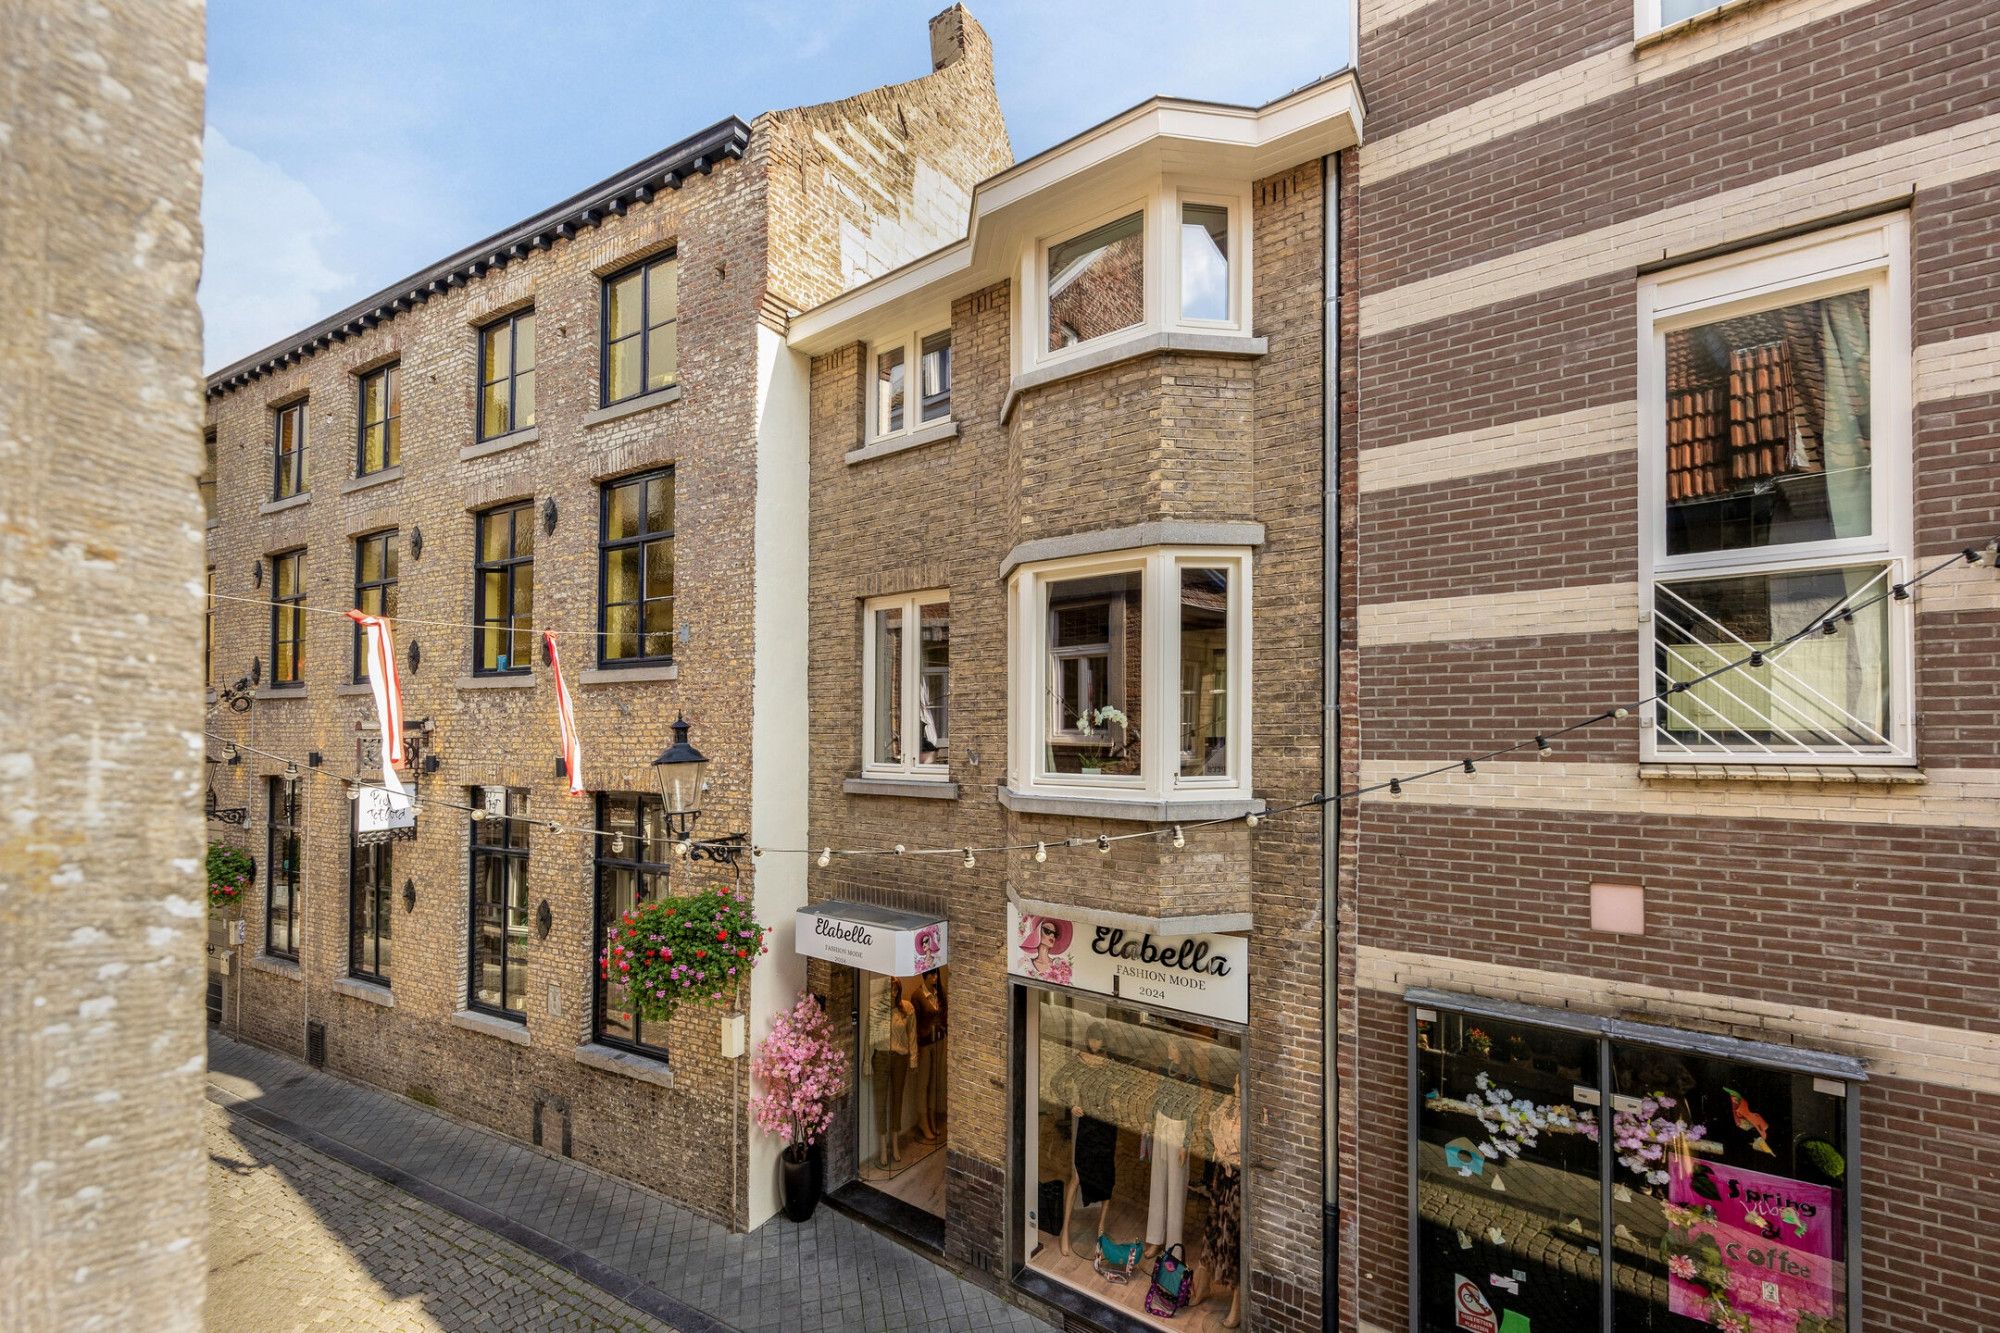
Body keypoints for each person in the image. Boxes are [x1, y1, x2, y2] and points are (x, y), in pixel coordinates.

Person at [1052, 1022, 1120, 1258]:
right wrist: (1072, 1104)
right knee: (1078, 1175)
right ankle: (1065, 1231)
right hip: (1088, 1126)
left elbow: (1121, 1091)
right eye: (1091, 1038)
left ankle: (1101, 1229)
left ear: (1104, 1040)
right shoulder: (1079, 1060)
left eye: (1098, 1039)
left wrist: (1115, 1103)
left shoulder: (1111, 1064)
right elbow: (1057, 1082)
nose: (1094, 1043)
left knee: (1106, 1177)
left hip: (1107, 1126)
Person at [1145, 1037, 1203, 1257]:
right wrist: (1150, 1120)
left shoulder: (1192, 1078)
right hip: (1162, 1125)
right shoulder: (1165, 1069)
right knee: (1158, 1182)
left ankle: (1173, 1246)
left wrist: (1186, 1144)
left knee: (1176, 1188)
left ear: (1181, 1050)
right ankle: (1155, 1239)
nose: (1168, 1049)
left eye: (1172, 1046)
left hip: (1178, 1130)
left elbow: (1192, 1112)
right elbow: (1158, 1098)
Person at [1198, 1071, 1244, 1328]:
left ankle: (1237, 1306)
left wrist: (1234, 1160)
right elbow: (1213, 1125)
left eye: (1240, 1082)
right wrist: (1220, 1153)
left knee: (1233, 1240)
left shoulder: (1254, 1113)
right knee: (1212, 1232)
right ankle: (1202, 1287)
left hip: (1238, 1183)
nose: (1236, 1086)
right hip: (1222, 1178)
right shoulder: (1227, 1105)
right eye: (1236, 1081)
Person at [868, 977, 917, 1169]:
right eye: (889, 990)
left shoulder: (907, 1009)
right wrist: (866, 1061)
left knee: (897, 1099)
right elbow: (870, 1038)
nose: (892, 994)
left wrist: (913, 1059)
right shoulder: (876, 1010)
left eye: (895, 990)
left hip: (900, 1058)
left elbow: (912, 1035)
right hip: (880, 1057)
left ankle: (895, 1143)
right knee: (880, 1102)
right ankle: (883, 1146)